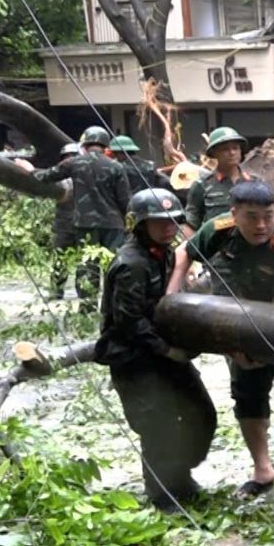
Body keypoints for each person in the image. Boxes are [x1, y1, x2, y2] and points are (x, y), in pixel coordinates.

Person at [172, 181, 274, 501]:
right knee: (247, 391)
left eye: (268, 216)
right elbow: (184, 252)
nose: (262, 225)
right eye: (252, 217)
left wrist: (256, 352)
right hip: (240, 318)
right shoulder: (218, 230)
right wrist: (170, 297)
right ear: (234, 214)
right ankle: (262, 469)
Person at [97, 188, 216, 512]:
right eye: (159, 222)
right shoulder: (131, 263)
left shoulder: (163, 253)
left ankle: (180, 474)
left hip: (163, 351)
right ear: (140, 224)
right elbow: (129, 321)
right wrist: (168, 351)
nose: (168, 227)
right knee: (158, 427)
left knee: (202, 414)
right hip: (134, 357)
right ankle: (162, 494)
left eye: (173, 221)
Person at [36, 125, 130, 310]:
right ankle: (112, 305)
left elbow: (46, 176)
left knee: (88, 265)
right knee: (113, 265)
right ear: (105, 145)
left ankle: (88, 306)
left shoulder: (74, 163)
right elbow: (125, 200)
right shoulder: (116, 166)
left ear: (85, 144)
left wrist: (30, 170)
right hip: (113, 225)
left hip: (85, 224)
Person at [184, 126, 259, 234]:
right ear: (214, 153)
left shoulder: (254, 183)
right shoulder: (202, 185)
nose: (232, 152)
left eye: (235, 148)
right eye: (225, 149)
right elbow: (191, 223)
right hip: (215, 246)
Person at [37, 141, 82, 299]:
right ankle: (57, 290)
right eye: (66, 157)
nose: (68, 160)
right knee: (60, 258)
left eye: (72, 157)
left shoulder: (84, 177)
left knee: (84, 261)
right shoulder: (58, 178)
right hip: (64, 225)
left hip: (83, 224)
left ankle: (85, 292)